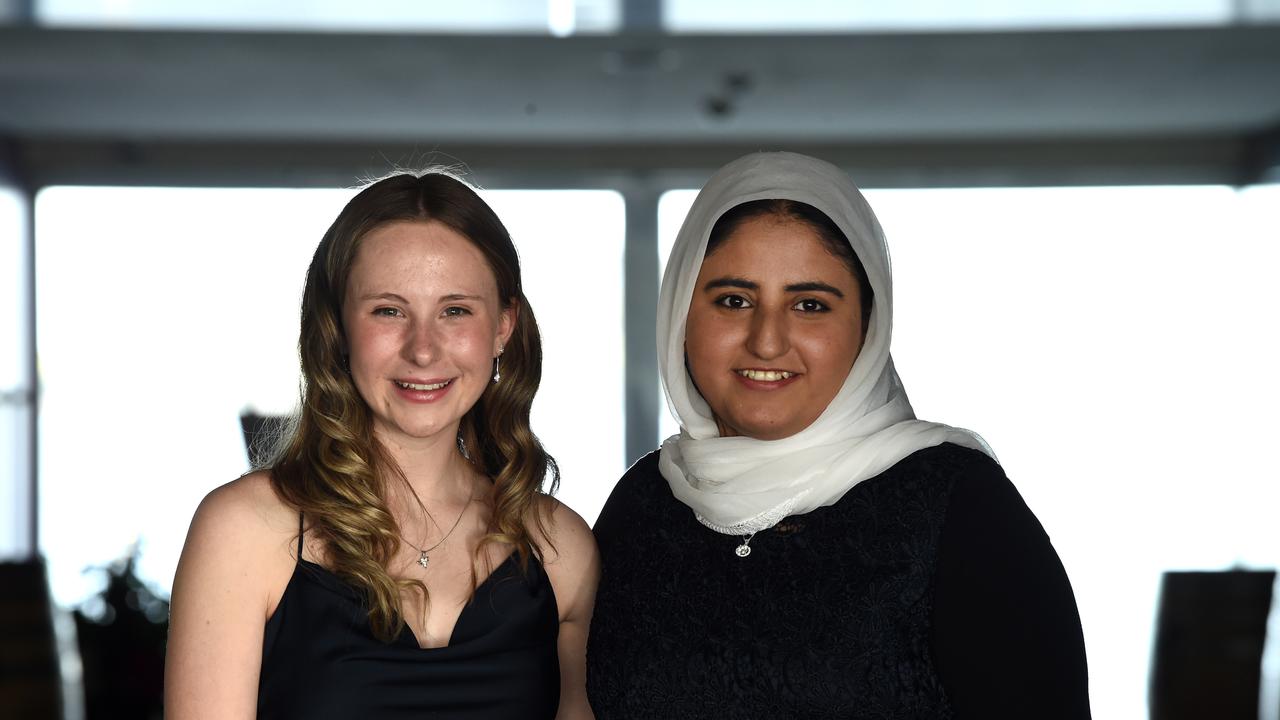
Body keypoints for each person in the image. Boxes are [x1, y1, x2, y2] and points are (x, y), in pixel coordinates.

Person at [586, 152, 1090, 718]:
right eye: (734, 301)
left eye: (809, 305)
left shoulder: (958, 503)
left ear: (868, 327)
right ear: (680, 313)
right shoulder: (644, 503)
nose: (768, 341)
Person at [166, 172, 599, 719]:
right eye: (388, 310)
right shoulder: (243, 530)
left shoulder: (560, 548)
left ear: (503, 327)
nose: (423, 350)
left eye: (456, 310)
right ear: (339, 328)